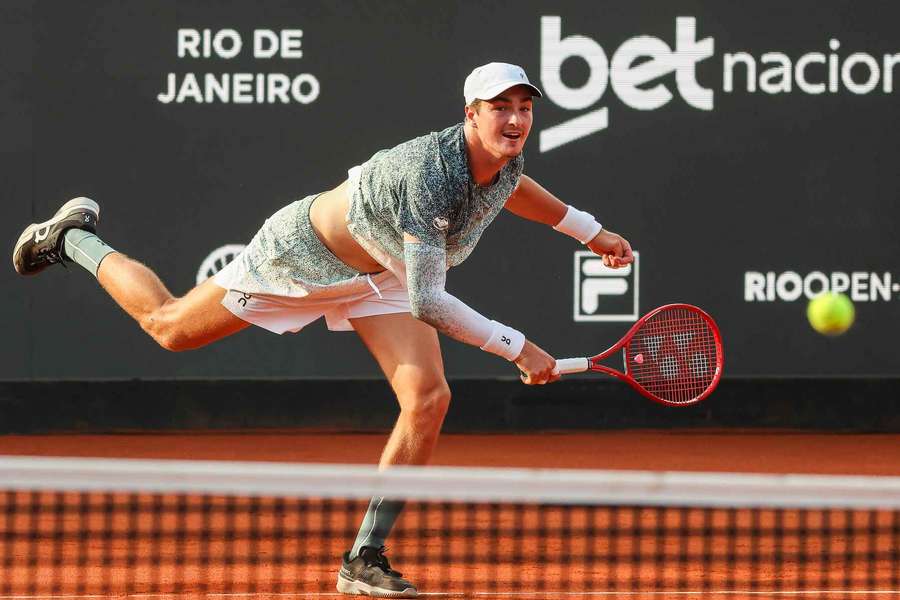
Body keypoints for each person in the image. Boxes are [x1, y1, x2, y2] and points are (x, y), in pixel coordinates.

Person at [12, 62, 633, 597]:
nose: (516, 120)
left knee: (428, 399)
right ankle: (73, 238)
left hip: (386, 270)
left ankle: (363, 559)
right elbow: (431, 303)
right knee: (169, 327)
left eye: (524, 108)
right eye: (501, 108)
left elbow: (516, 190)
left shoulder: (501, 161)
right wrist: (517, 347)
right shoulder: (430, 176)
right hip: (305, 259)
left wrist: (591, 232)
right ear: (470, 114)